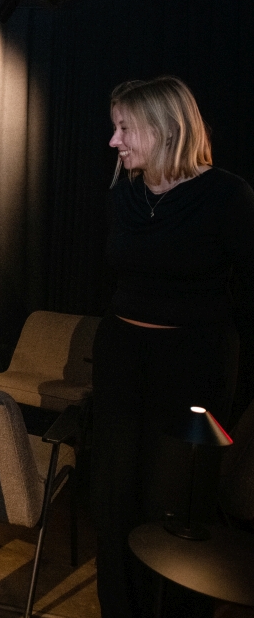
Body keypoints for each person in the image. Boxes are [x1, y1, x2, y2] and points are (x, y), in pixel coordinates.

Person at [92, 76, 254, 617]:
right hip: (121, 361)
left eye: (124, 128)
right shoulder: (123, 194)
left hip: (194, 369)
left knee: (179, 504)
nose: (114, 141)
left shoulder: (228, 195)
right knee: (114, 499)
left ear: (164, 128)